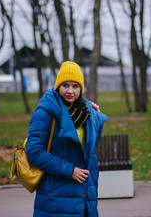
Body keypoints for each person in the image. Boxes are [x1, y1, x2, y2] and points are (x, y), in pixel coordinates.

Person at [26, 61, 109, 217]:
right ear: (58, 86)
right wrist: (70, 170)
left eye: (75, 86)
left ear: (81, 88)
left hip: (85, 196)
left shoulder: (84, 111)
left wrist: (95, 119)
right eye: (65, 85)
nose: (70, 91)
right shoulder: (45, 112)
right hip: (56, 197)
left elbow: (90, 148)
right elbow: (34, 152)